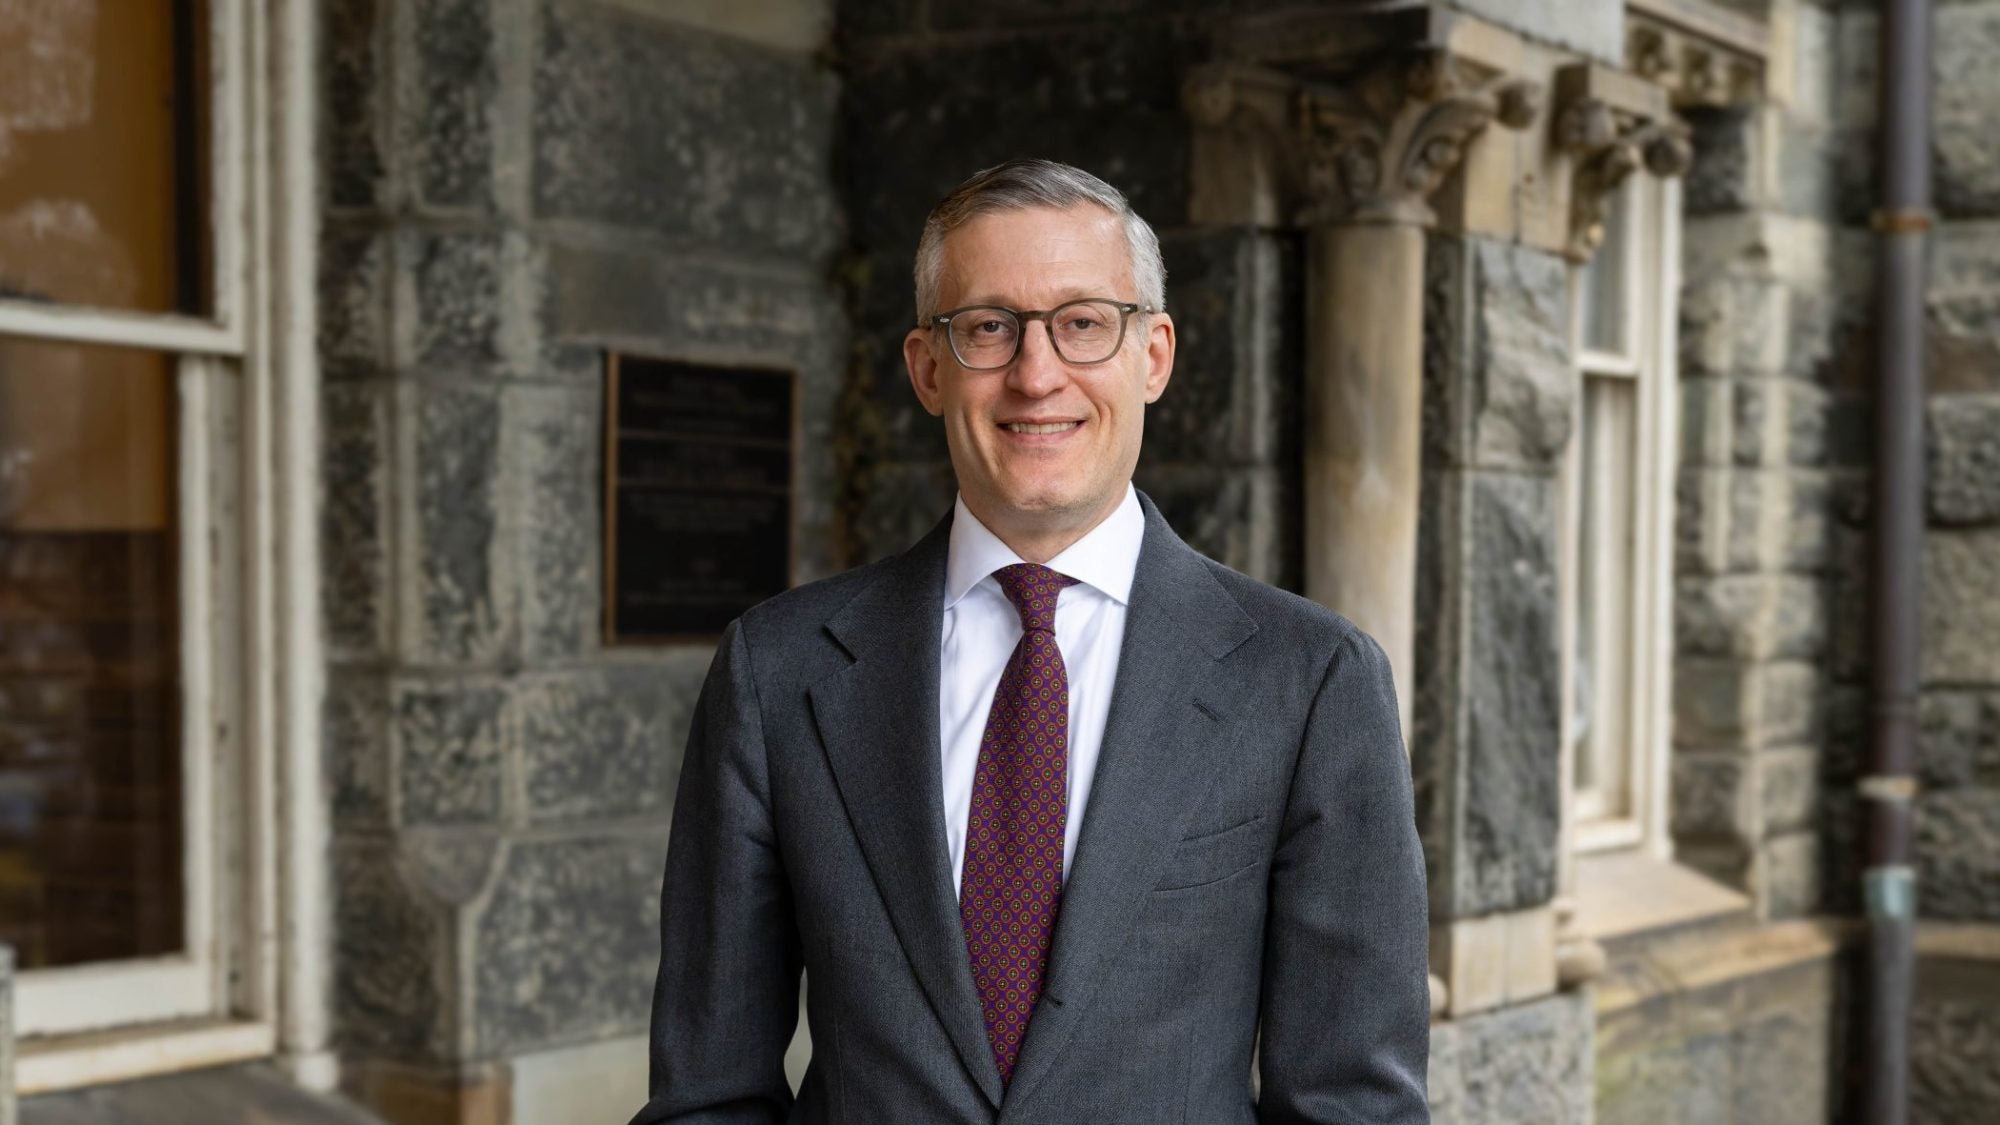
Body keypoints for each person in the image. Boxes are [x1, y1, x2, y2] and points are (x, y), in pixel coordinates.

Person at [628, 159, 1430, 1125]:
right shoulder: (779, 669)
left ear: (1155, 354)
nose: (1036, 373)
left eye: (1083, 322)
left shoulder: (1308, 683)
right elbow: (707, 1093)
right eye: (988, 327)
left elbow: (1353, 1107)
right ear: (928, 367)